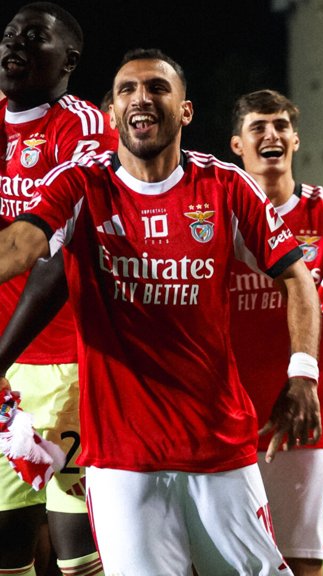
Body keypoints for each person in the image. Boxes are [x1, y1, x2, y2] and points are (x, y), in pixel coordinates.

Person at [0, 49, 322, 574]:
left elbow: (297, 277)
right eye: (127, 90)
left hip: (217, 449)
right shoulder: (81, 185)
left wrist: (303, 375)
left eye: (156, 88)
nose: (140, 98)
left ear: (185, 111)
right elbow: (18, 247)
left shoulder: (224, 186)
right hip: (122, 460)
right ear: (112, 113)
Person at [0, 4, 117, 575]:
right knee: (5, 534)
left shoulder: (84, 128)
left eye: (33, 37)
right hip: (4, 366)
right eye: (9, 35)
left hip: (65, 359)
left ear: (68, 60)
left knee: (75, 541)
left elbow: (51, 256)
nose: (14, 44)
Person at [228, 89, 323, 576]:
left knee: (301, 566)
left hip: (304, 422)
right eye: (258, 127)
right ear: (237, 146)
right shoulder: (215, 217)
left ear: (296, 140)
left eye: (281, 125)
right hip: (223, 423)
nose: (272, 135)